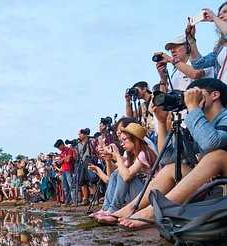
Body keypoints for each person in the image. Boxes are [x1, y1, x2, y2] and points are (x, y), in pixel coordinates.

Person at [107, 78, 227, 229]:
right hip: (212, 185)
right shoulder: (199, 123)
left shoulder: (222, 117)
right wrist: (162, 123)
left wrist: (193, 108)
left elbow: (211, 142)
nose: (189, 98)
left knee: (216, 156)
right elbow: (166, 158)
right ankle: (131, 208)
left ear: (215, 95)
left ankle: (154, 212)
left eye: (194, 93)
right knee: (171, 167)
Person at [90, 123, 157, 217]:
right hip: (141, 194)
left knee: (123, 174)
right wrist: (108, 159)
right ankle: (106, 208)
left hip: (150, 196)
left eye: (125, 139)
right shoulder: (131, 155)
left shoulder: (144, 153)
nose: (122, 143)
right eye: (121, 140)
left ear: (135, 139)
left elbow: (126, 176)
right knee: (117, 173)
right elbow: (112, 176)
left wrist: (117, 155)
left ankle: (113, 209)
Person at [190, 3, 227, 84]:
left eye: (225, 12)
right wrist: (191, 38)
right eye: (219, 14)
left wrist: (214, 17)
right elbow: (198, 64)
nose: (220, 16)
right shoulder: (219, 48)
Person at [55, 139, 75, 204]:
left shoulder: (69, 150)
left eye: (59, 147)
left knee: (71, 186)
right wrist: (64, 159)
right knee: (65, 187)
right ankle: (68, 201)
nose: (59, 149)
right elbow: (60, 162)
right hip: (63, 171)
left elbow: (68, 160)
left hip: (69, 170)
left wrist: (62, 160)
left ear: (62, 145)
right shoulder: (61, 153)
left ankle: (74, 201)